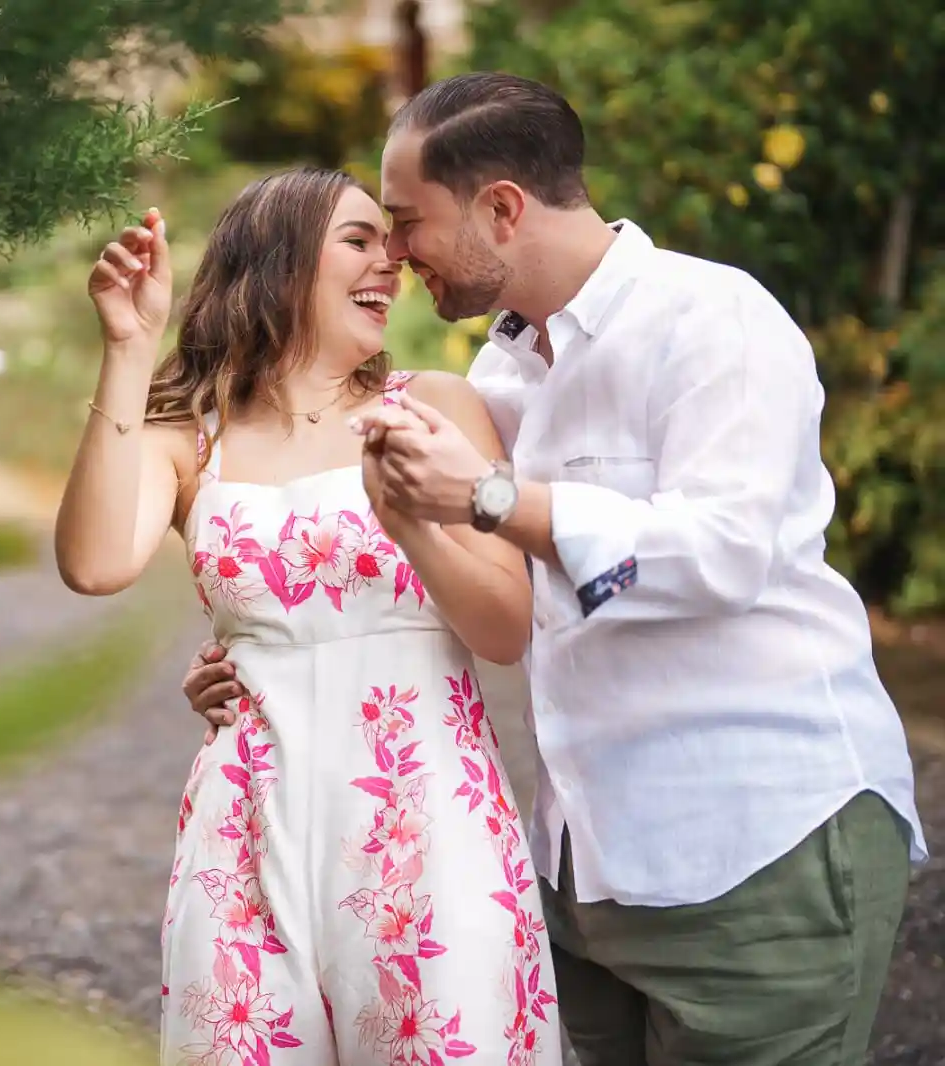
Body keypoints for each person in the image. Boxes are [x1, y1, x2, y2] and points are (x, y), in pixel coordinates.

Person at [180, 73, 928, 1066]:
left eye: (405, 221)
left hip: (761, 847)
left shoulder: (710, 320)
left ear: (501, 208)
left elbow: (722, 551)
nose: (392, 254)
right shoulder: (496, 381)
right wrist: (263, 651)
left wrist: (489, 497)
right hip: (583, 873)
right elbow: (476, 593)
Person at [55, 168, 562, 1065]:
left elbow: (505, 630)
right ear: (279, 261)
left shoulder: (432, 409)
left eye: (391, 242)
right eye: (359, 240)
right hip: (247, 832)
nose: (391, 262)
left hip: (425, 829)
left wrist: (418, 532)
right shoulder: (188, 443)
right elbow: (95, 565)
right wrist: (128, 352)